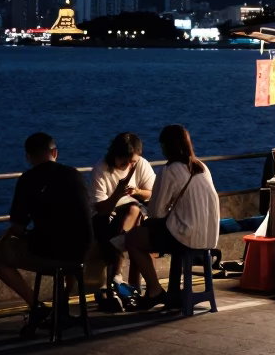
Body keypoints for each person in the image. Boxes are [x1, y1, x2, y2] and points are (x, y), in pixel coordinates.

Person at [0, 133, 93, 328]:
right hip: (81, 251)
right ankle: (60, 304)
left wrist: (11, 236)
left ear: (28, 157)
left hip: (48, 252)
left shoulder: (28, 179)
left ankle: (37, 307)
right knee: (68, 247)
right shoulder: (75, 174)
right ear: (55, 152)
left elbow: (18, 227)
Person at [124, 125, 220, 310]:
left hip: (186, 237)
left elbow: (156, 213)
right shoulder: (201, 166)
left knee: (132, 239)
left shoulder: (169, 171)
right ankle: (172, 292)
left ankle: (154, 290)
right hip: (210, 236)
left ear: (166, 146)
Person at [90, 132, 155, 296]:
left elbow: (152, 193)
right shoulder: (101, 169)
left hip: (132, 217)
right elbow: (100, 208)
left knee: (134, 210)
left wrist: (138, 191)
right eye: (124, 161)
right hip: (106, 218)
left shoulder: (140, 164)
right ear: (115, 155)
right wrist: (118, 194)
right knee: (134, 217)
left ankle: (118, 275)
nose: (128, 165)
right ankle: (132, 286)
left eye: (132, 162)